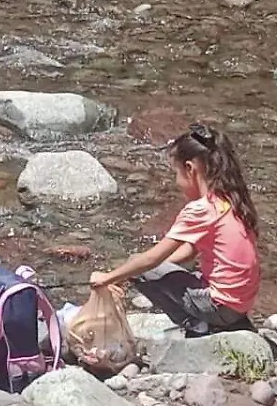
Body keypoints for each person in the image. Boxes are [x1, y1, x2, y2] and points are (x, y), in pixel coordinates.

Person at [90, 124, 260, 337]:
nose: (176, 182)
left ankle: (197, 325)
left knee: (140, 266)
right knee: (149, 269)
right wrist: (134, 272)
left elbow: (150, 259)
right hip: (241, 304)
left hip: (220, 307)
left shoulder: (200, 210)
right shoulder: (230, 201)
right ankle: (223, 323)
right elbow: (189, 252)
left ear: (190, 169)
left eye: (176, 173)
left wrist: (108, 278)